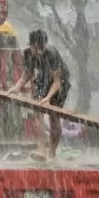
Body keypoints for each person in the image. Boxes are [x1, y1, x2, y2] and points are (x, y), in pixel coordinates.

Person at [6, 29, 71, 160]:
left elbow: (57, 82)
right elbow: (28, 73)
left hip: (60, 83)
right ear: (31, 45)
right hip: (43, 78)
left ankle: (52, 153)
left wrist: (47, 98)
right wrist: (17, 87)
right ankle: (41, 149)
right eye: (37, 48)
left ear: (45, 44)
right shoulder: (28, 53)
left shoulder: (52, 53)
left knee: (54, 117)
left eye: (42, 47)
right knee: (37, 113)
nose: (40, 51)